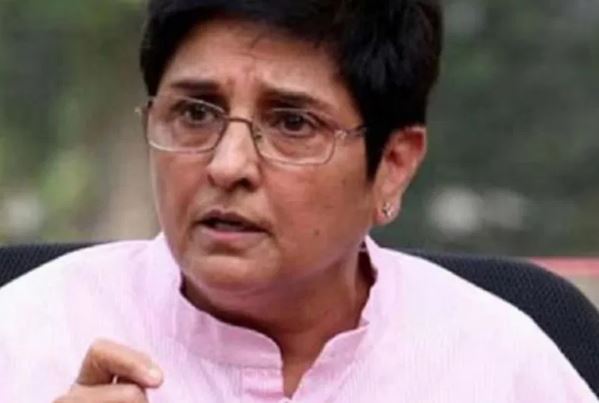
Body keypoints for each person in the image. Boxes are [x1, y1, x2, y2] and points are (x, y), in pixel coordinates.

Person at [0, 0, 596, 402]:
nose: (227, 165)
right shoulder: (25, 337)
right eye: (195, 113)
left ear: (393, 166)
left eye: (292, 123)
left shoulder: (498, 366)